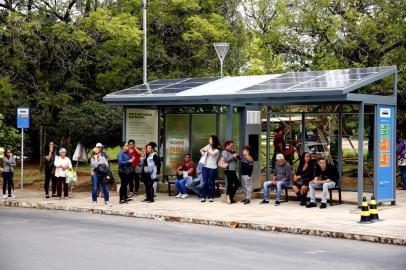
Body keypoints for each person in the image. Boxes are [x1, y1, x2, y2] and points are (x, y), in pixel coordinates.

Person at [200, 135, 221, 202]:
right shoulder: (208, 146)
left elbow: (213, 153)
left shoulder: (218, 147)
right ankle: (203, 196)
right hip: (205, 167)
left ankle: (211, 196)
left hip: (212, 168)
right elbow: (201, 149)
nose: (209, 140)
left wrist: (206, 149)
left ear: (213, 140)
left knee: (211, 182)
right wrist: (202, 152)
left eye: (210, 139)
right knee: (205, 182)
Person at [221, 140, 240, 204]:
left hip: (233, 170)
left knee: (237, 183)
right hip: (228, 169)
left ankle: (230, 197)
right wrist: (233, 156)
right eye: (231, 145)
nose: (232, 146)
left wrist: (237, 156)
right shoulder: (224, 151)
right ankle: (229, 198)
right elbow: (226, 160)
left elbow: (237, 158)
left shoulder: (232, 151)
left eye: (232, 145)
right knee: (230, 183)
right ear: (227, 145)